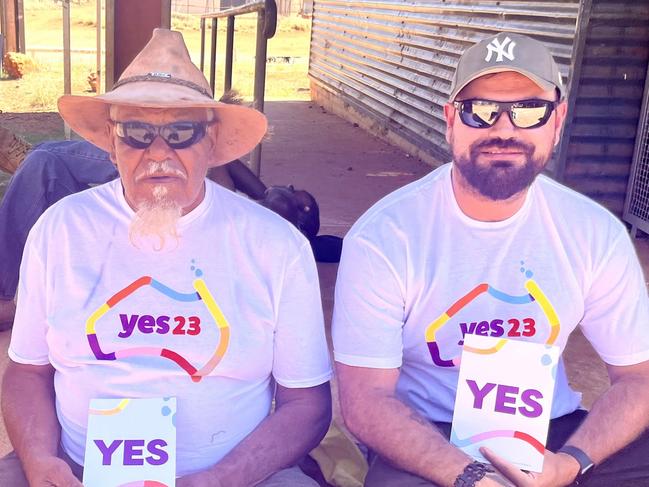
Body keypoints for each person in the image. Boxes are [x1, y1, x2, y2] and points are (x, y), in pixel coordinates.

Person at [1, 28, 332, 486]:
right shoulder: (60, 230)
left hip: (233, 479)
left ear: (211, 144)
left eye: (181, 131)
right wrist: (40, 463)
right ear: (111, 142)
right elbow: (26, 371)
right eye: (136, 132)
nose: (158, 153)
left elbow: (307, 404)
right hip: (75, 472)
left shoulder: (276, 246)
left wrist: (227, 476)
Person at [332, 32, 649, 487]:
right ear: (449, 121)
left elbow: (638, 377)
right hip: (432, 437)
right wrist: (472, 478)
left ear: (556, 120)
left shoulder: (593, 233)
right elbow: (366, 400)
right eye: (479, 111)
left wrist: (571, 462)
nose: (504, 130)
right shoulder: (386, 237)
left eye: (528, 111)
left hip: (552, 436)